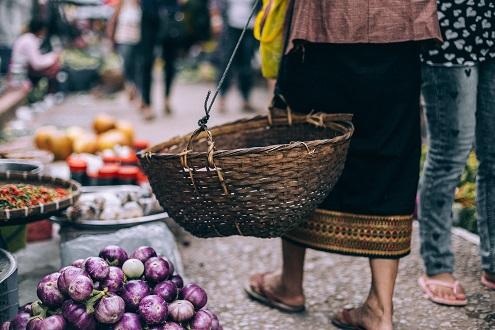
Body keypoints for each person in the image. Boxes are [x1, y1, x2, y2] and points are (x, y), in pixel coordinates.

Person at [244, 1, 441, 329]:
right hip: (396, 23)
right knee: (389, 150)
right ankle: (380, 306)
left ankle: (290, 283)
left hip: (324, 24)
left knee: (302, 145)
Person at [418, 0, 495, 306]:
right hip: (448, 32)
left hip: (490, 26)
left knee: (493, 157)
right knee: (449, 155)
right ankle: (437, 264)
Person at [140, 0, 182, 120]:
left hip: (170, 13)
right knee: (147, 62)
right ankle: (147, 104)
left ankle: (167, 99)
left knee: (170, 62)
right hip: (149, 13)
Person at [215, 0, 258, 113]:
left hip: (250, 27)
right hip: (230, 26)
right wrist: (216, 18)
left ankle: (245, 99)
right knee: (226, 63)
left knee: (247, 64)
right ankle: (222, 99)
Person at [9, 18, 60, 88]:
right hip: (20, 75)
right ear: (40, 30)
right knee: (54, 66)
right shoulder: (29, 40)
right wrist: (53, 57)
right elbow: (37, 64)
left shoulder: (26, 38)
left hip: (19, 72)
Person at [108, 0, 142, 102]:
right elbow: (113, 20)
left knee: (137, 65)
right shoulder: (122, 3)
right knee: (126, 64)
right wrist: (111, 38)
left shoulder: (140, 5)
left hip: (138, 39)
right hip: (123, 39)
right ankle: (130, 85)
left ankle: (135, 88)